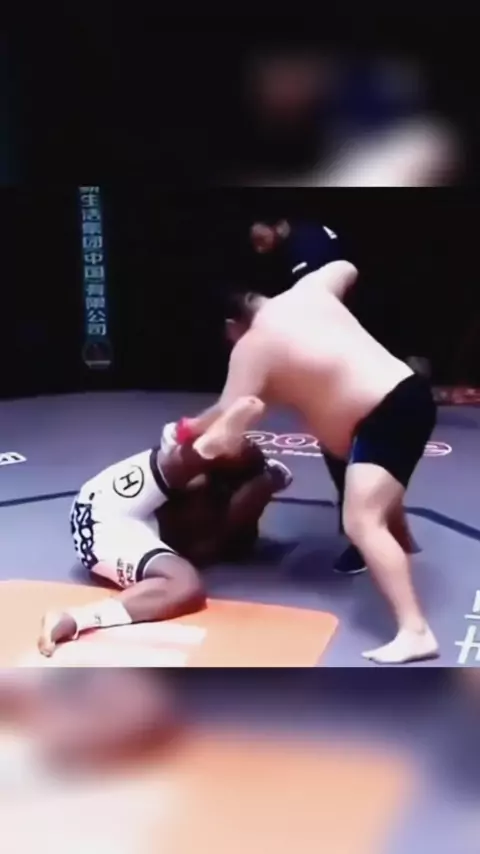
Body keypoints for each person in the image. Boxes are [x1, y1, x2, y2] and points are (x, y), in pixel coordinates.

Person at [181, 263, 438, 664]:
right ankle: (402, 541)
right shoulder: (311, 289)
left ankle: (415, 631)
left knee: (361, 520)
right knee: (346, 458)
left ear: (232, 325)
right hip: (407, 396)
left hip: (383, 415)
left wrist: (188, 430)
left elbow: (227, 412)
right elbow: (346, 267)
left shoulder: (254, 345)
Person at [38, 402, 292, 657]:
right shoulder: (211, 492)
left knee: (186, 585)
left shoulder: (219, 539)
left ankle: (74, 619)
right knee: (207, 469)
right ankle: (202, 445)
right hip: (107, 500)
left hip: (104, 526)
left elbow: (245, 500)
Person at [249, 216, 419, 575]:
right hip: (352, 359)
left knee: (349, 450)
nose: (254, 243)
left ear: (274, 223)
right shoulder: (299, 244)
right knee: (347, 448)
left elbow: (319, 310)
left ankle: (366, 539)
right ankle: (392, 533)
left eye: (256, 232)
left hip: (354, 363)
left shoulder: (309, 247)